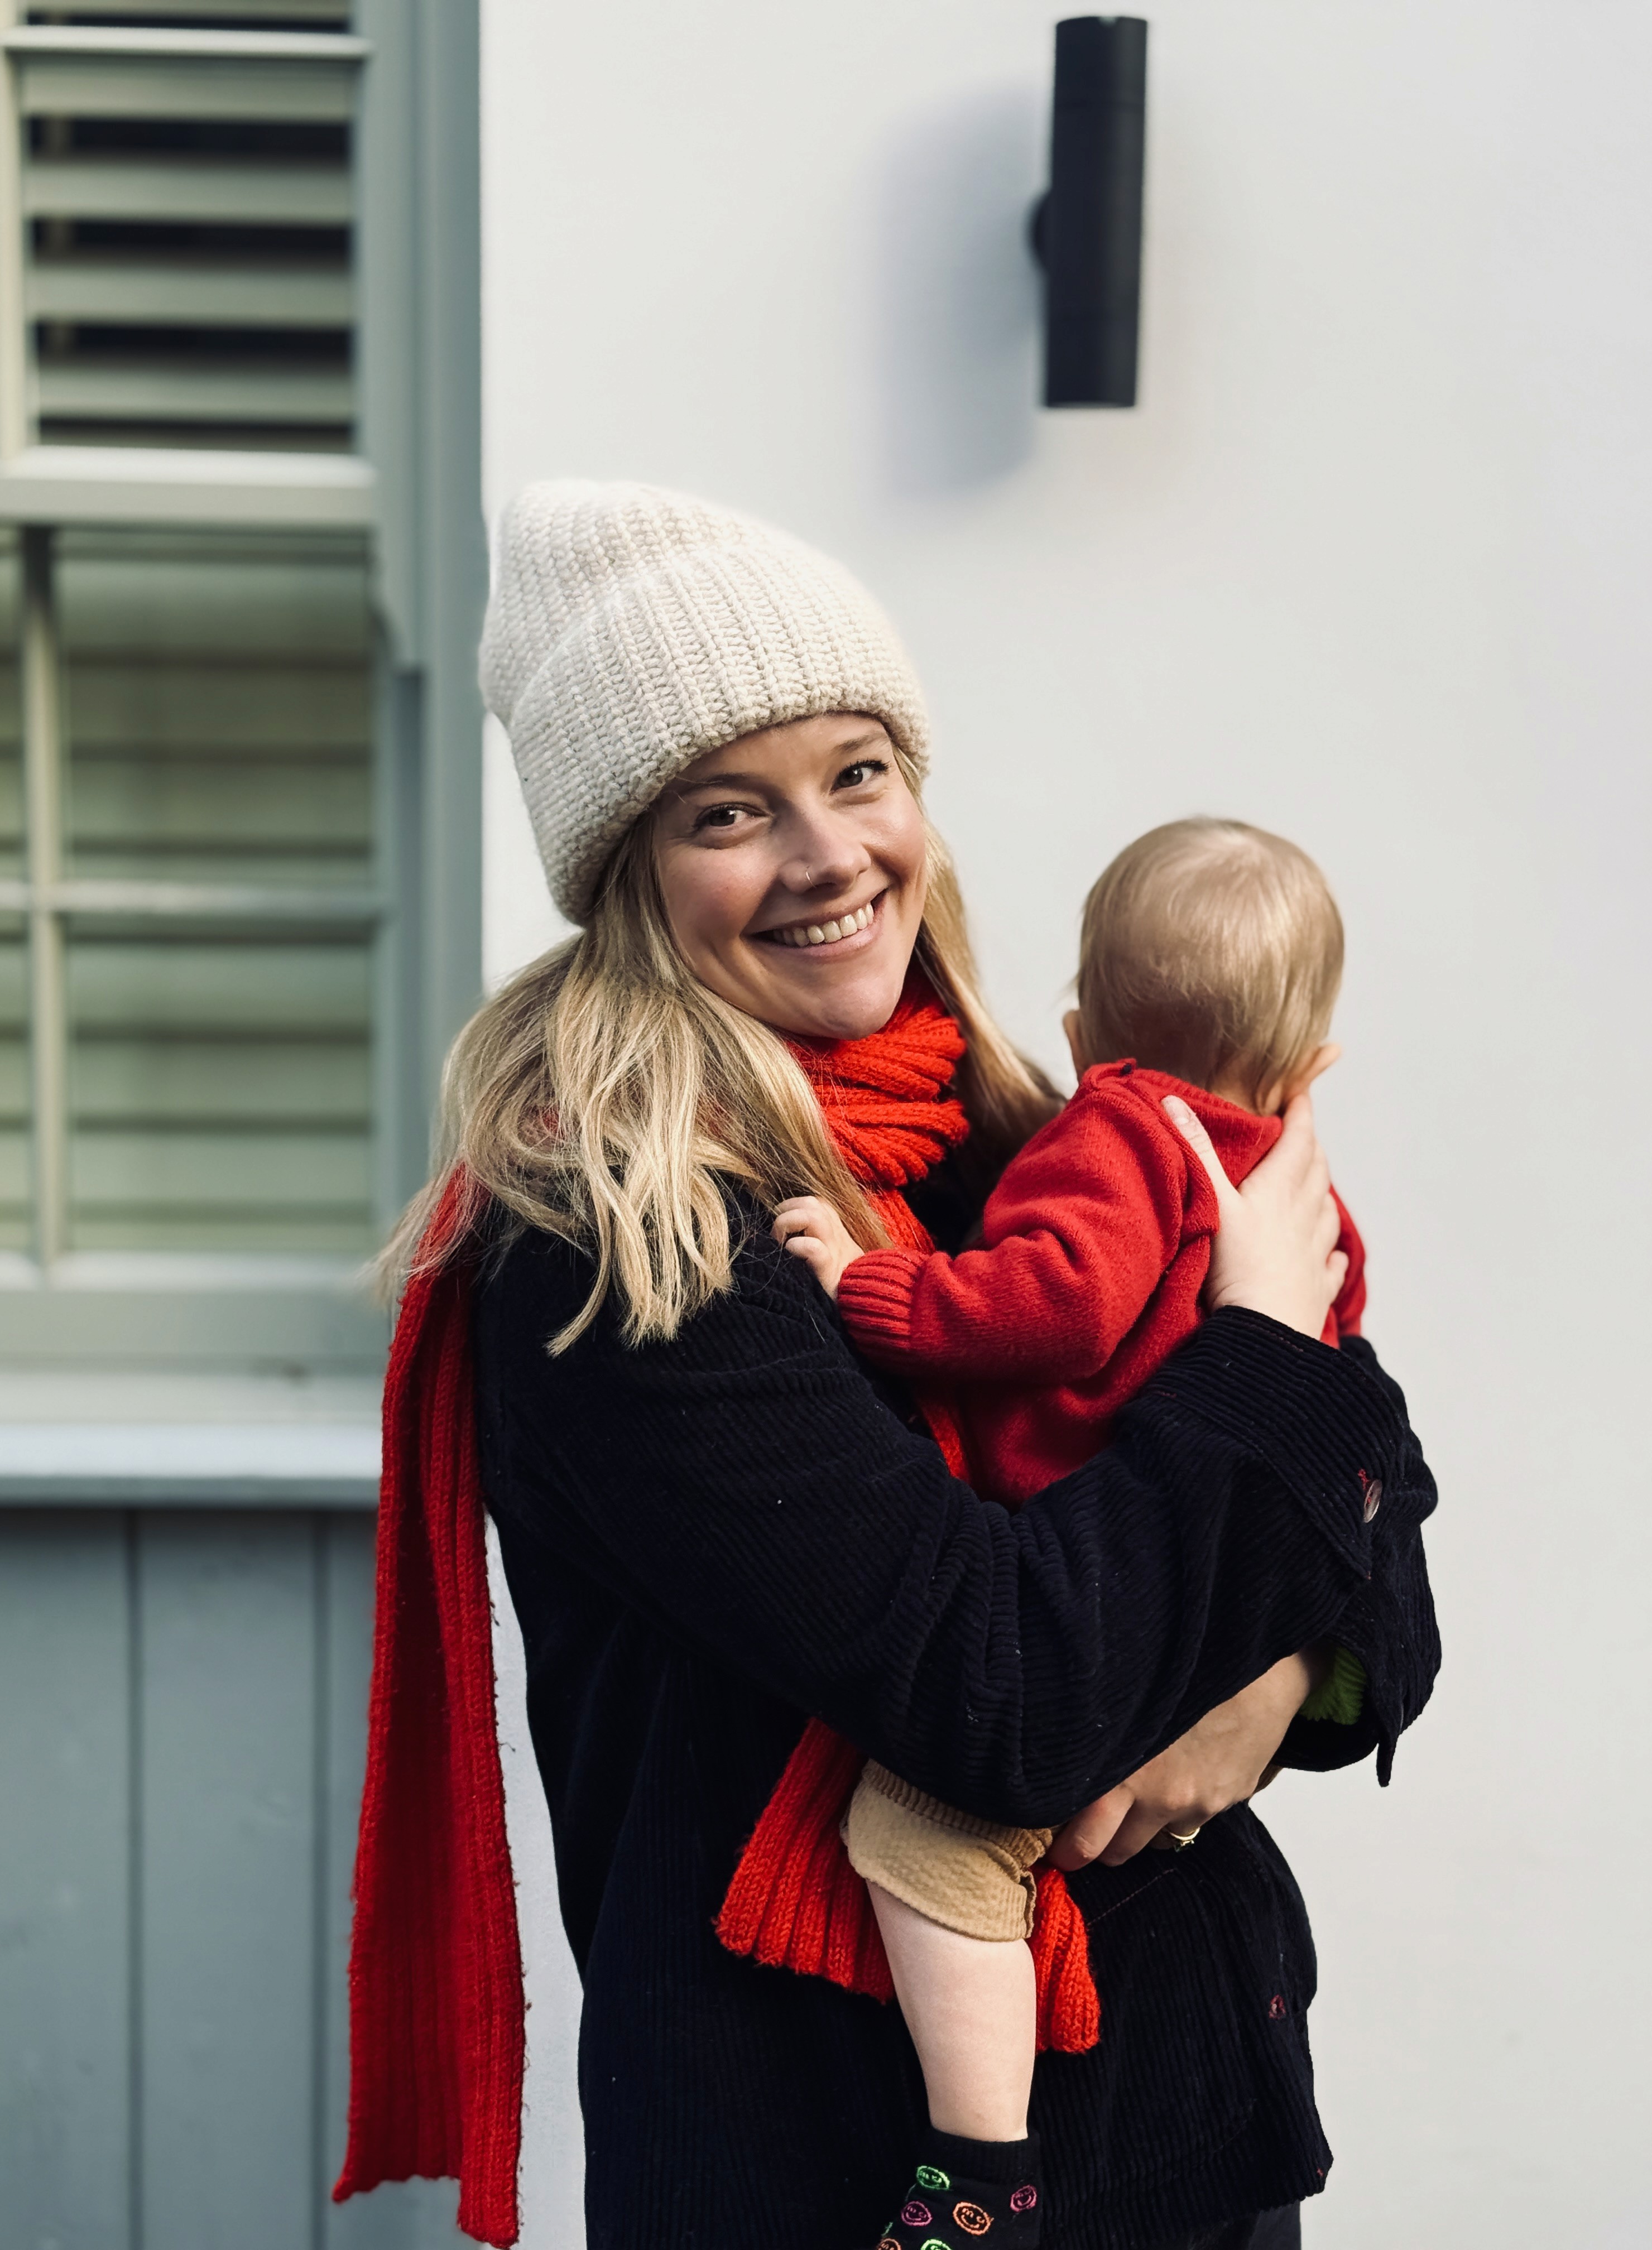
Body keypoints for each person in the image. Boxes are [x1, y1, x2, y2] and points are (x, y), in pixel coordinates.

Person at [335, 480, 1439, 2250]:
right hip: (839, 2178)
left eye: (858, 772)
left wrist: (1283, 1679)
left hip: (1184, 2128)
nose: (830, 855)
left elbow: (1383, 1501)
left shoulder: (1023, 1136)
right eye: (728, 811)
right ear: (628, 876)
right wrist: (1248, 1358)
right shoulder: (626, 1241)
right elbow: (1001, 1695)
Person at [771, 819, 1375, 2242]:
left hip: (1096, 1597)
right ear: (1310, 1065)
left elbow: (1057, 1301)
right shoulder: (1298, 1196)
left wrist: (871, 1286)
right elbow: (1340, 1401)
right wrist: (1271, 1628)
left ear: (1085, 1030)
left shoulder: (1111, 1133)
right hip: (1165, 1616)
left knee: (922, 1837)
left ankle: (980, 2167)